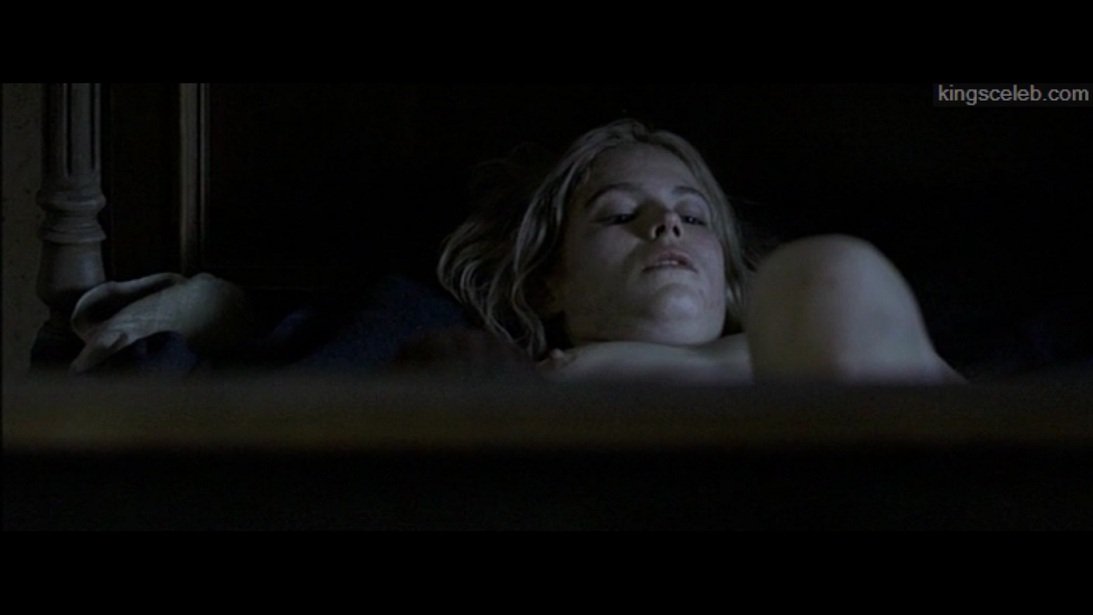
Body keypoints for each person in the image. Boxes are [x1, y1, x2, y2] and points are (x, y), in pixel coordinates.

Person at [438, 119, 964, 384]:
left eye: (693, 217)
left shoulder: (814, 304)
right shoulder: (517, 383)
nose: (667, 223)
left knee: (829, 274)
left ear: (728, 279)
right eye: (620, 215)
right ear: (548, 283)